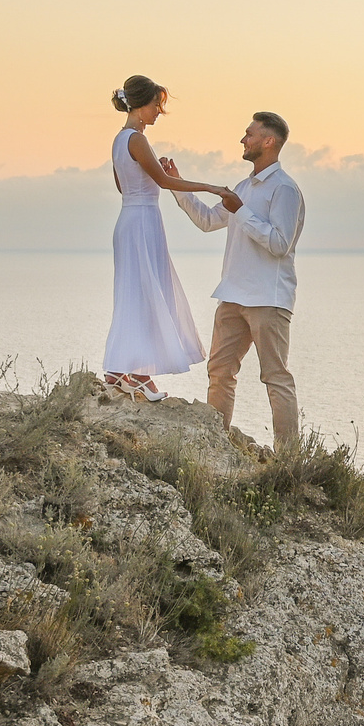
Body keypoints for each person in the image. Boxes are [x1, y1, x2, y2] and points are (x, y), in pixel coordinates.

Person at [170, 111, 305, 450]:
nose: (243, 140)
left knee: (275, 378)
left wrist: (241, 210)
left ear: (268, 141)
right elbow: (207, 220)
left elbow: (279, 244)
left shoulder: (285, 189)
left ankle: (289, 460)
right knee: (220, 371)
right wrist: (176, 184)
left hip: (268, 299)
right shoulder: (244, 187)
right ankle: (214, 446)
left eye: (249, 134)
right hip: (232, 295)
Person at [101, 76, 236, 402]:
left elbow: (125, 186)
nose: (158, 112)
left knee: (135, 292)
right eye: (155, 105)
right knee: (148, 291)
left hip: (130, 220)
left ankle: (122, 370)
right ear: (140, 104)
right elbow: (163, 182)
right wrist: (212, 188)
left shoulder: (120, 140)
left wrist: (150, 174)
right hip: (144, 221)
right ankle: (135, 373)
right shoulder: (137, 139)